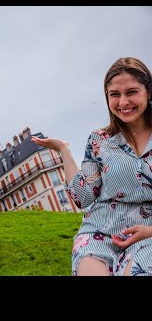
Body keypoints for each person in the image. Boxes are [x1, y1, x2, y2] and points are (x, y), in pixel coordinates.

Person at [32, 57, 152, 276]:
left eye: (131, 92)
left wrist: (149, 232)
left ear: (149, 92)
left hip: (148, 235)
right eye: (115, 95)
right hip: (99, 232)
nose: (123, 102)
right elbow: (83, 198)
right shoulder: (99, 140)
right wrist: (64, 151)